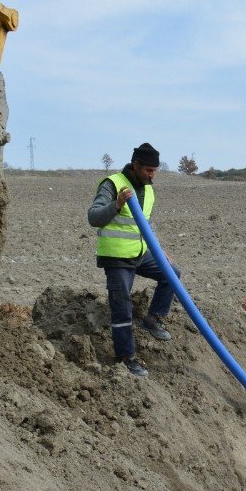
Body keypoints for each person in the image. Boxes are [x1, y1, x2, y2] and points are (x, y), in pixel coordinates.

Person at [87, 143, 180, 378]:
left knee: (172, 274)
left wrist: (160, 250)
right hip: (117, 256)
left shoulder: (148, 190)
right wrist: (117, 204)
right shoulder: (113, 184)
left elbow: (145, 225)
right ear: (135, 165)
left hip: (139, 253)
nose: (152, 175)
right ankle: (126, 357)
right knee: (122, 306)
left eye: (155, 170)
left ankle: (152, 318)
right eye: (148, 170)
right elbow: (94, 217)